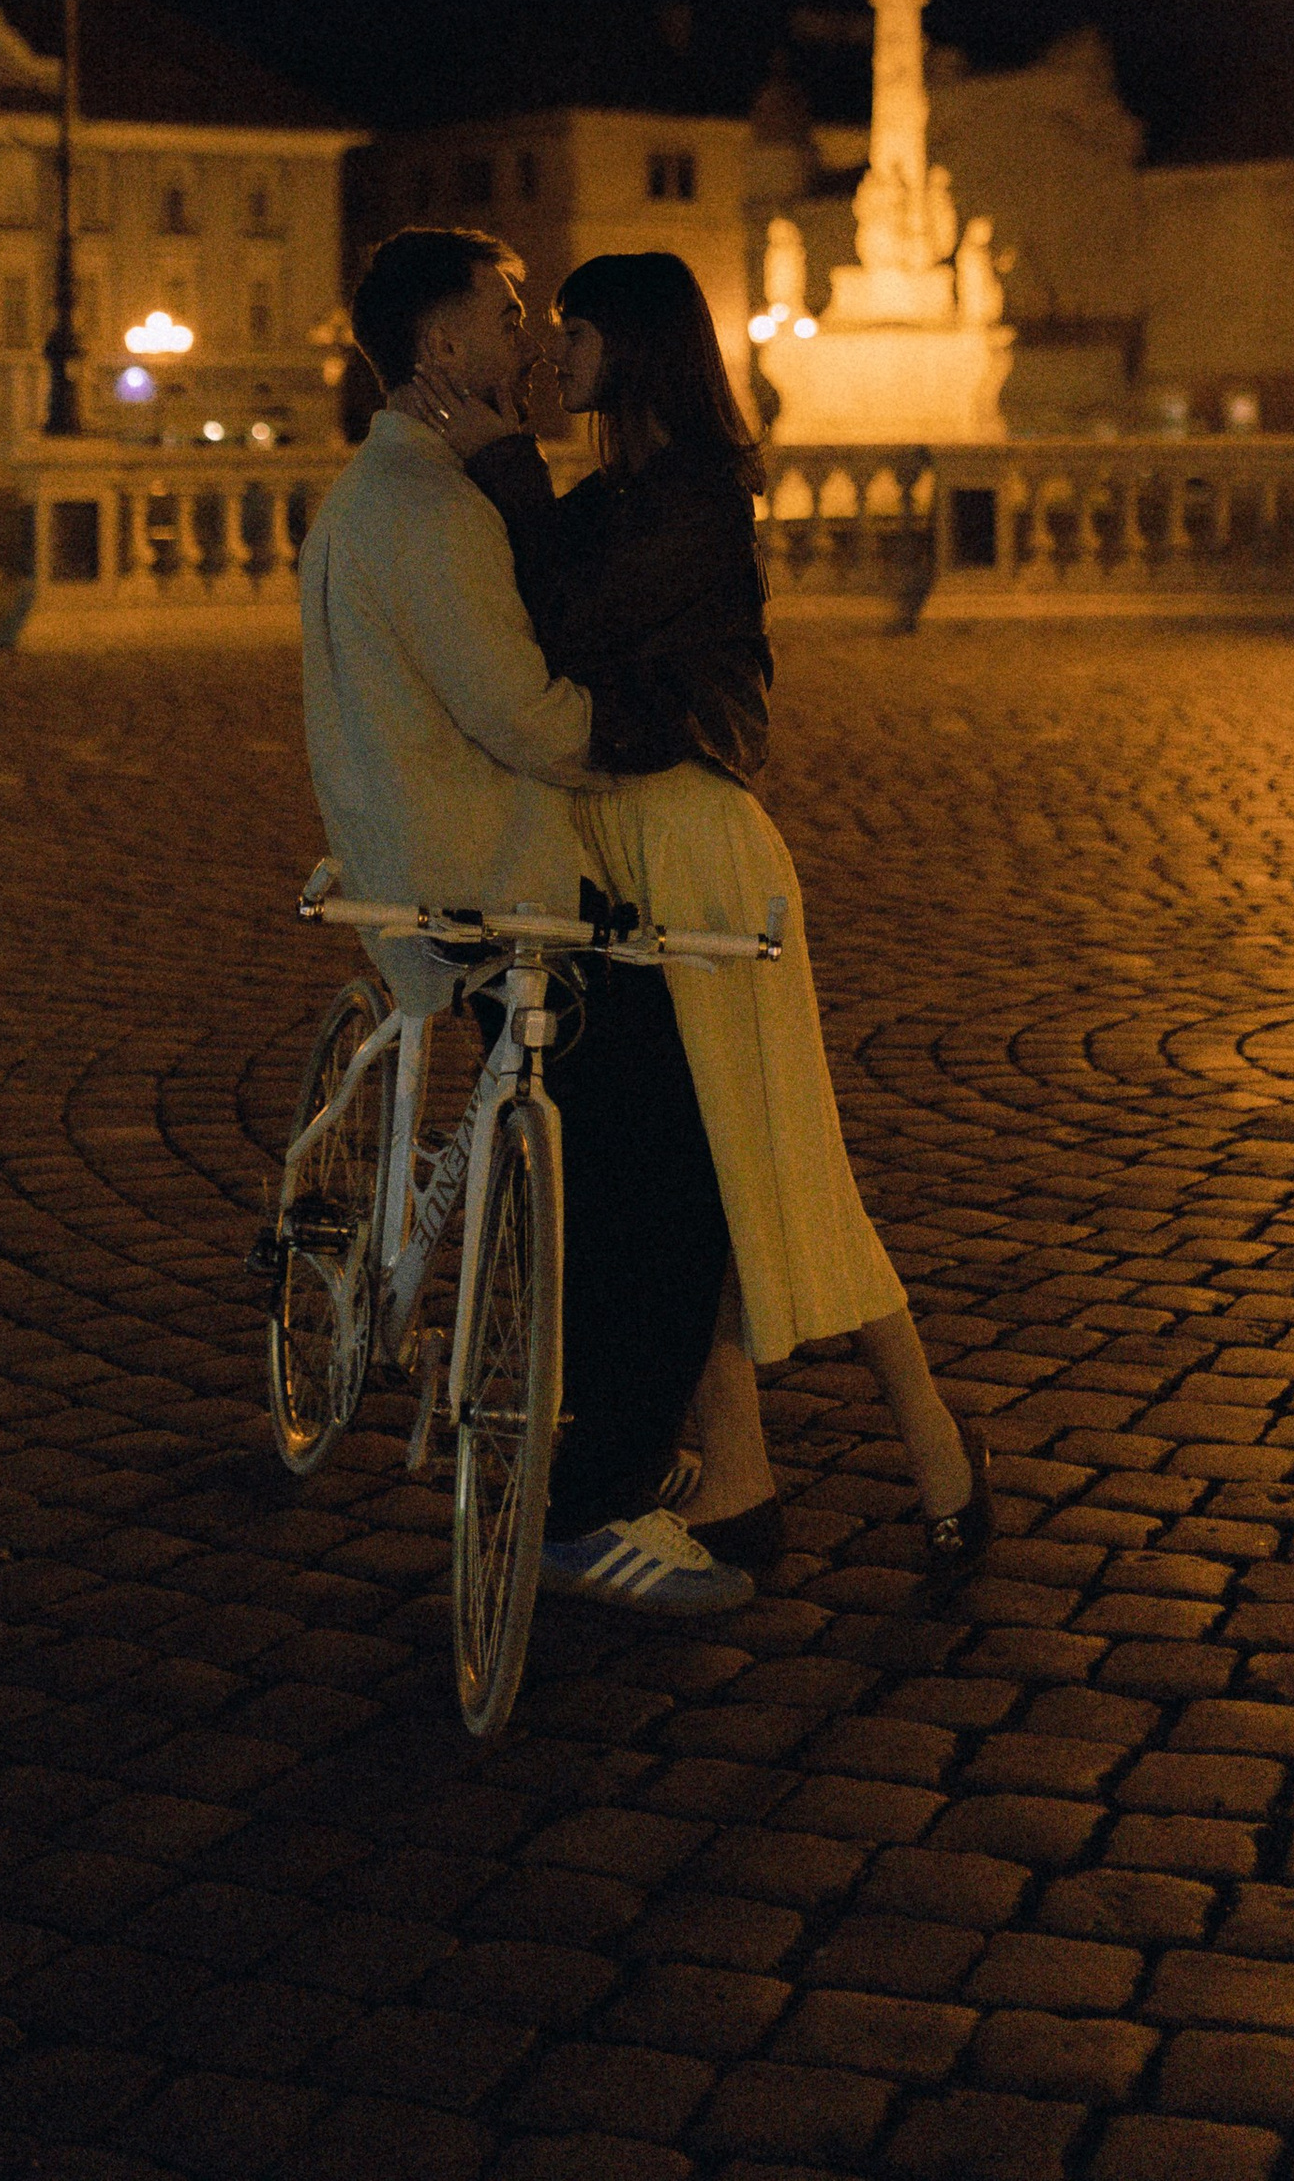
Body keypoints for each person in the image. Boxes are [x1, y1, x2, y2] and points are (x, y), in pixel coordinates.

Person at [401, 247, 990, 1583]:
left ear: (639, 345)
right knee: (706, 1172)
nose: (554, 353)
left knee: (775, 1163)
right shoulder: (618, 491)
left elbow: (565, 611)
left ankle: (928, 1438)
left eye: (575, 331)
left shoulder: (697, 500)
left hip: (699, 857)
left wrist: (498, 463)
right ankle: (739, 1474)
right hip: (618, 849)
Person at [297, 227, 750, 1617]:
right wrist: (672, 735)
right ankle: (595, 1498)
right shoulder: (435, 511)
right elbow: (533, 718)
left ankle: (597, 1433)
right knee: (675, 1181)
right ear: (443, 350)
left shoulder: (381, 490)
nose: (530, 340)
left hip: (423, 866)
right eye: (506, 313)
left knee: (626, 1157)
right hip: (495, 895)